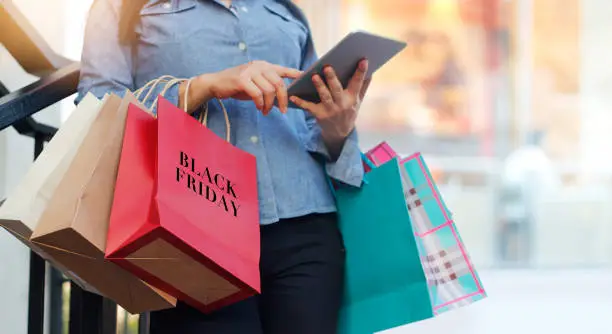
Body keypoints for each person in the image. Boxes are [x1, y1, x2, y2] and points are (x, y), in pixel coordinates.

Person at [77, 0, 371, 333]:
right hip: (193, 230)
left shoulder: (284, 8)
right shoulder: (119, 7)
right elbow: (98, 108)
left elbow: (309, 123)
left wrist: (339, 126)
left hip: (306, 226)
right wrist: (205, 85)